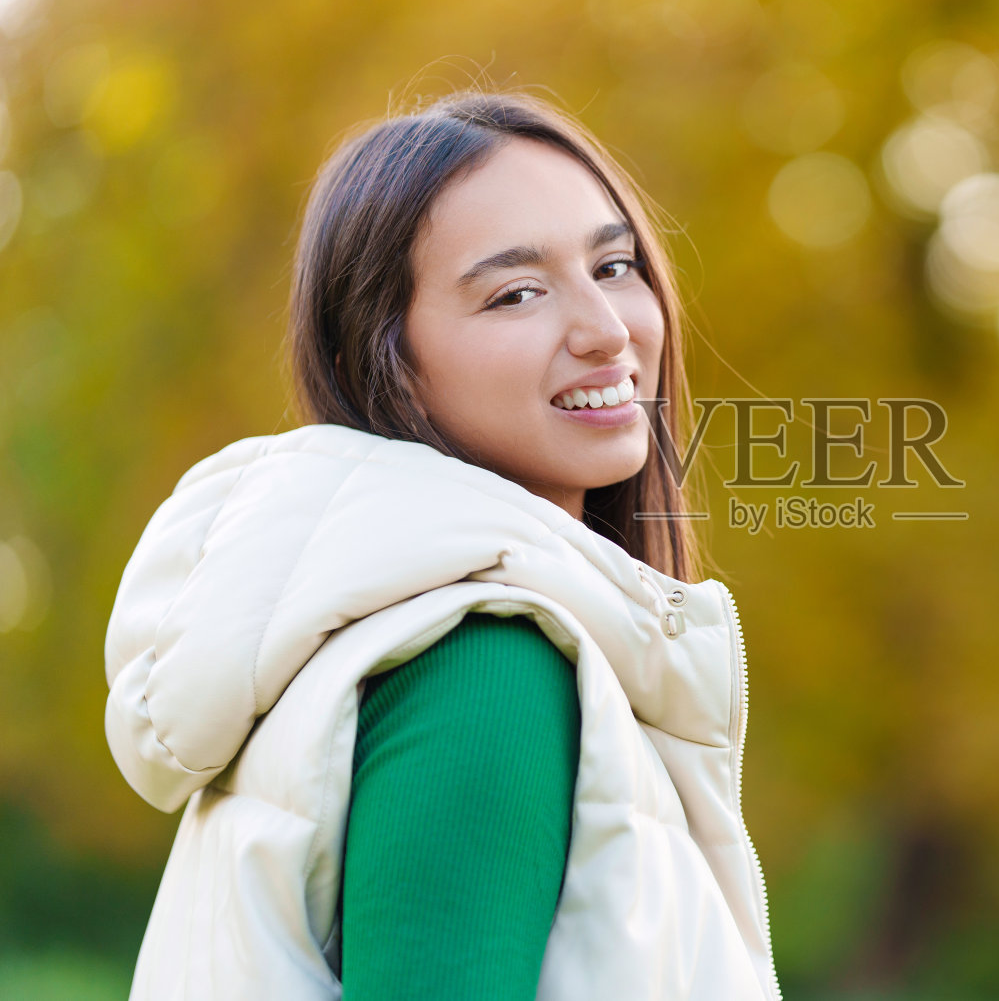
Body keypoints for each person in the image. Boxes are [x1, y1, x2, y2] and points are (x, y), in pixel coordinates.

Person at [102, 89, 781, 1000]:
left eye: (614, 266)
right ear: (385, 365)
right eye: (517, 293)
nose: (609, 330)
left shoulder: (378, 648)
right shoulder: (483, 665)